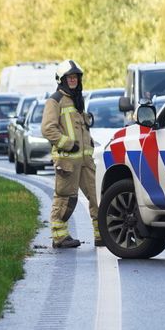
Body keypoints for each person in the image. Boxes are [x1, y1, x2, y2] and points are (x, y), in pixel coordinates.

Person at [41, 59, 101, 249]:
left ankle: (102, 235)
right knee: (66, 198)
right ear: (62, 79)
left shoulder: (77, 99)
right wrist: (68, 144)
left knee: (97, 195)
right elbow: (47, 129)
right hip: (67, 161)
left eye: (75, 77)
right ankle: (59, 236)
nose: (73, 80)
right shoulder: (55, 100)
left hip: (85, 160)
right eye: (70, 77)